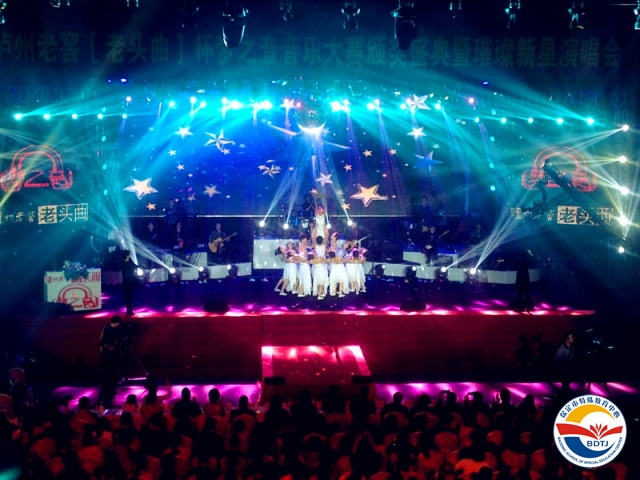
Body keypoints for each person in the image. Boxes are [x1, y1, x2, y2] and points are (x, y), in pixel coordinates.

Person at [99, 316, 122, 405]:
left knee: (111, 368)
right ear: (117, 322)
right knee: (108, 368)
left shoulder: (113, 329)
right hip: (106, 352)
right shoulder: (108, 329)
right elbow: (103, 342)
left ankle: (110, 383)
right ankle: (107, 384)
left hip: (110, 352)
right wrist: (110, 348)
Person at [121, 251, 137, 316]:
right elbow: (135, 266)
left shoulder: (125, 263)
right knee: (128, 296)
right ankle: (129, 310)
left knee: (128, 296)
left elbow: (135, 266)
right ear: (127, 255)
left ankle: (129, 309)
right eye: (129, 255)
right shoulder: (126, 263)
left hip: (128, 282)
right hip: (128, 282)